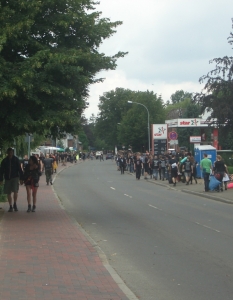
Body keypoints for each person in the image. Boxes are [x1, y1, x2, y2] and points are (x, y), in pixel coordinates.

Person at [0, 148, 24, 212]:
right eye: (9, 152)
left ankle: (15, 204)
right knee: (8, 192)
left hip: (15, 177)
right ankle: (10, 205)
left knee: (15, 191)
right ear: (7, 153)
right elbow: (1, 171)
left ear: (12, 152)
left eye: (11, 152)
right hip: (7, 178)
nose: (10, 153)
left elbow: (20, 169)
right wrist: (1, 179)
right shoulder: (4, 161)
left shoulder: (16, 160)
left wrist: (21, 178)